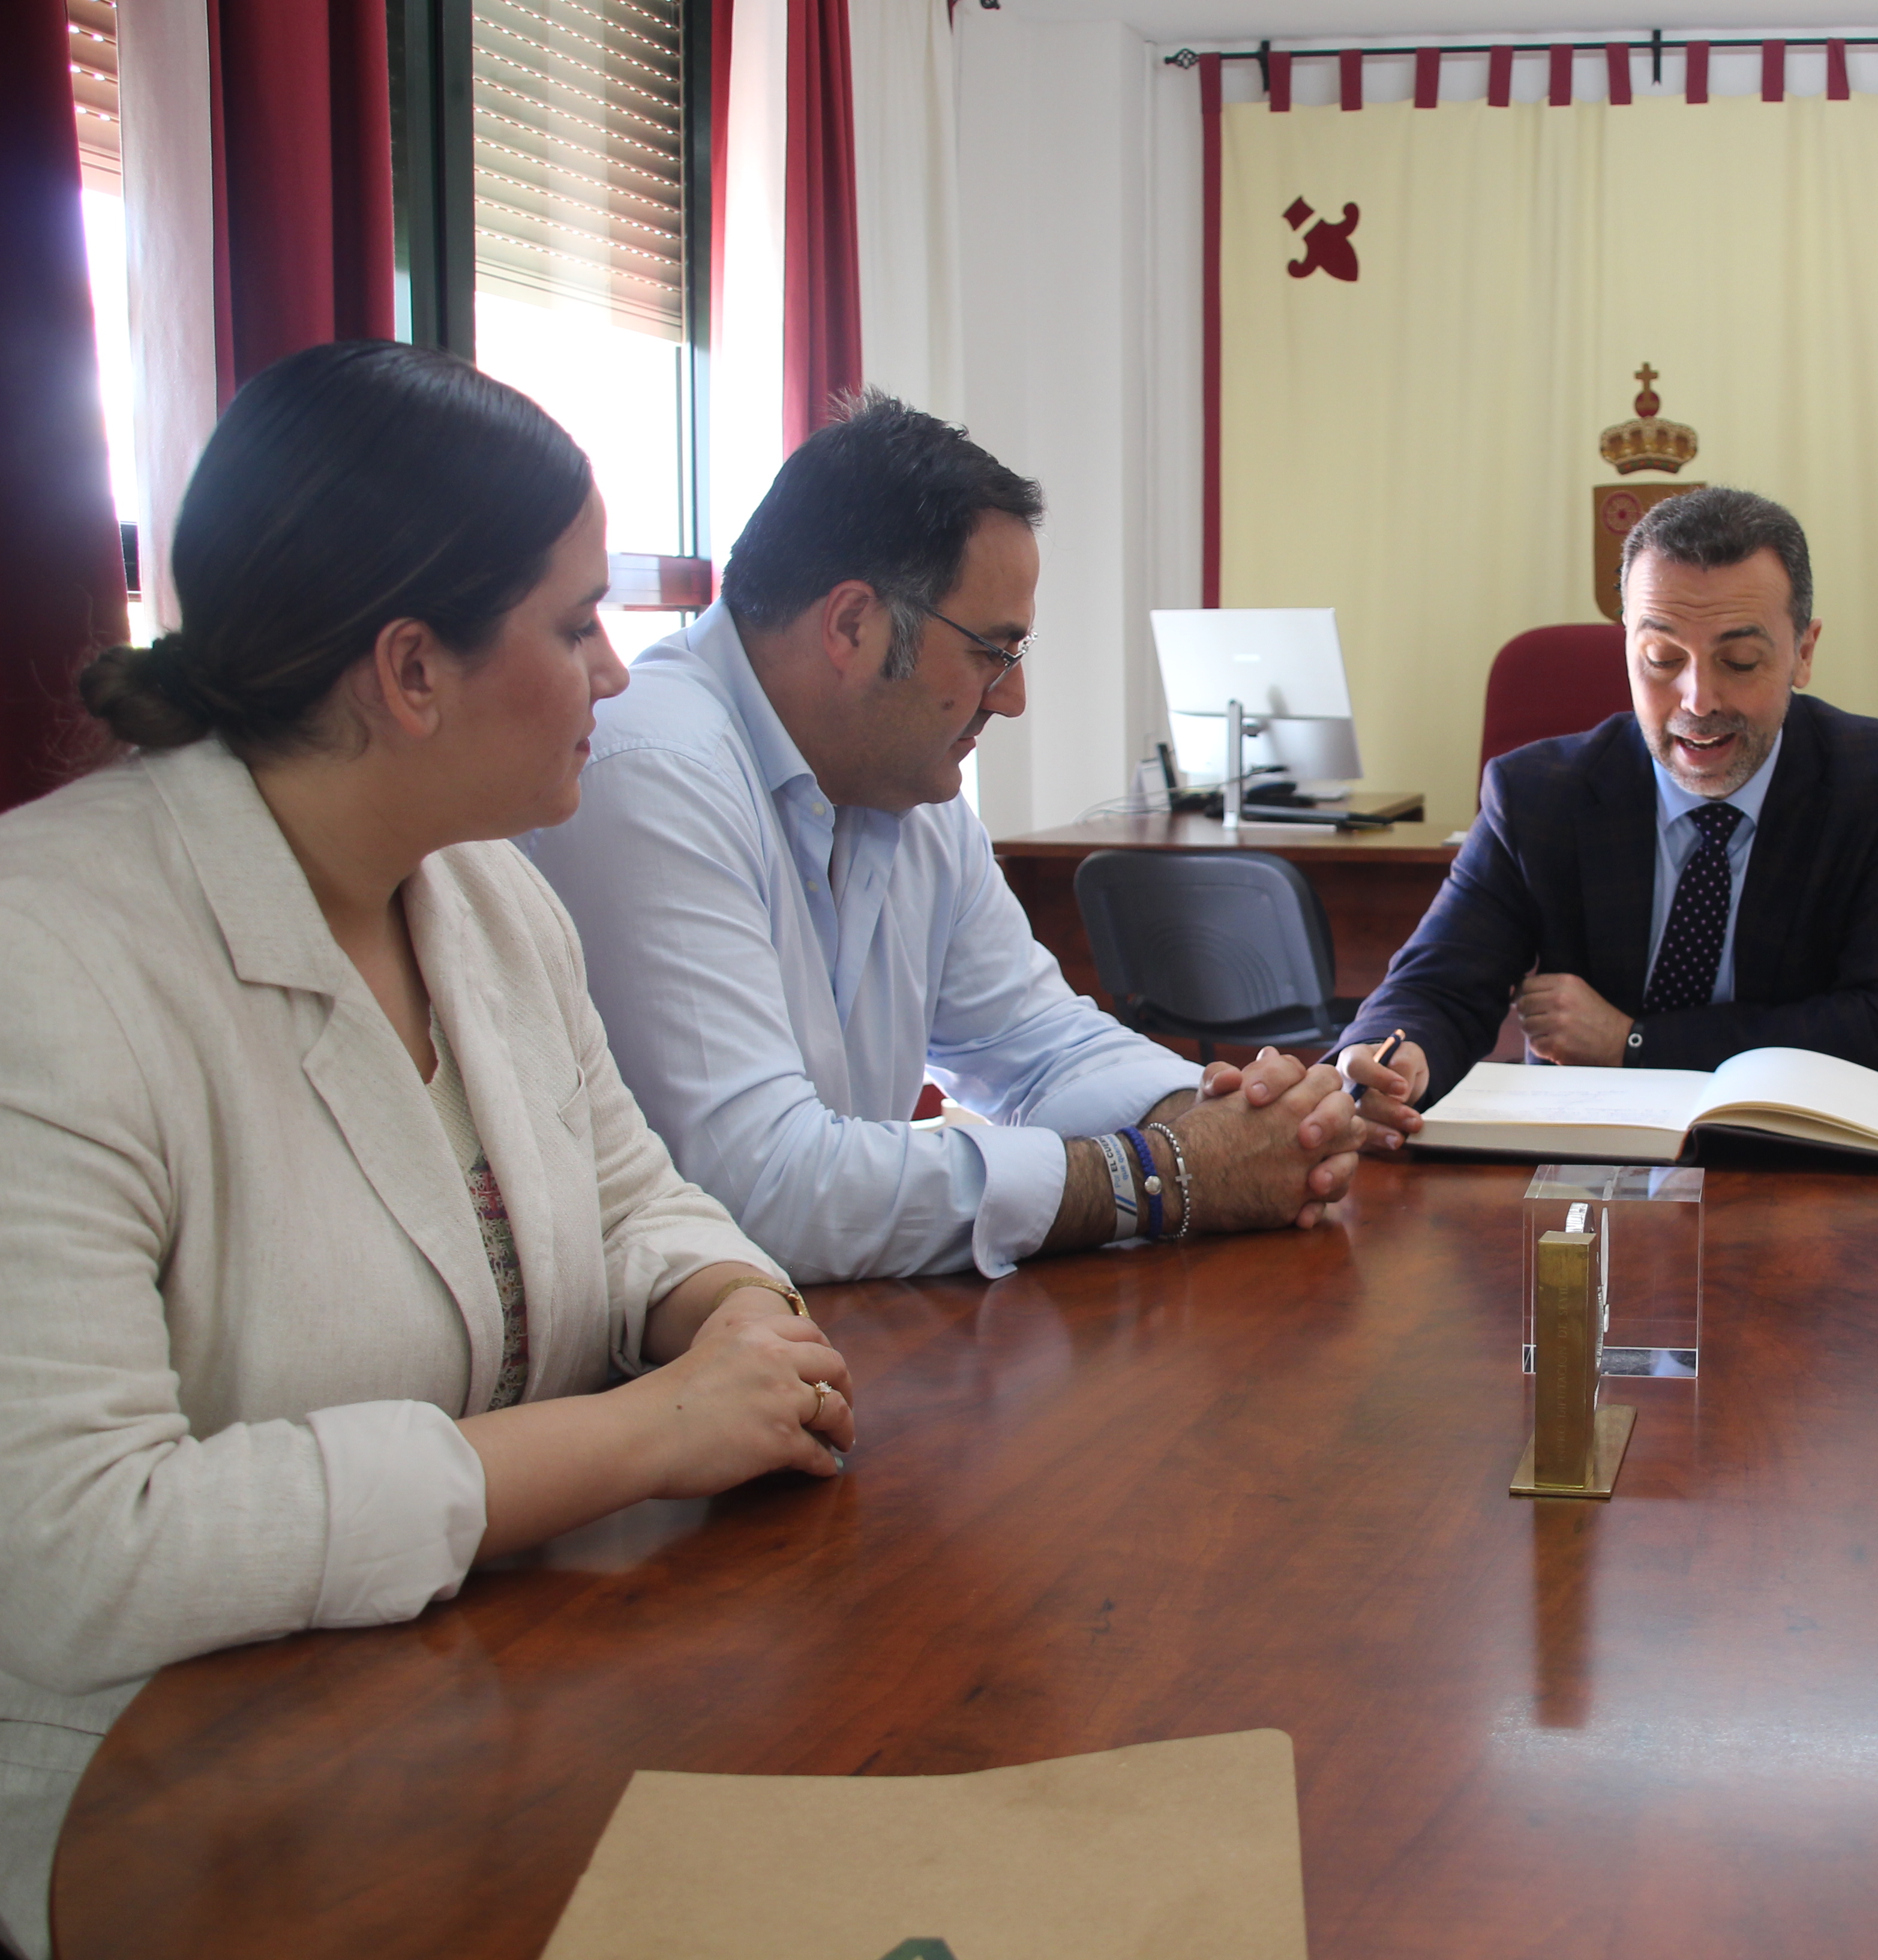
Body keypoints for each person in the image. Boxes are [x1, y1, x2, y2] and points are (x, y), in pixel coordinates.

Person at [0, 343, 857, 1960]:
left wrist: (728, 1308)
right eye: (574, 621)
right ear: (409, 673)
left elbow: (630, 1193)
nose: (617, 672)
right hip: (158, 1831)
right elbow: (79, 1551)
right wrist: (646, 1438)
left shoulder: (483, 892)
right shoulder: (46, 957)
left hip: (470, 1716)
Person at [527, 395, 1366, 1282]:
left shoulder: (905, 794)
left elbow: (1042, 1048)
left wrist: (1240, 1120)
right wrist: (1162, 1176)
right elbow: (758, 1191)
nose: (1012, 699)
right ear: (852, 625)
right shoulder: (651, 764)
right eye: (990, 654)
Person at [1328, 487, 1878, 1127]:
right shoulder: (1537, 794)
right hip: (1585, 1154)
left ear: (1804, 652)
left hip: (1800, 1154)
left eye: (1739, 661)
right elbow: (1438, 983)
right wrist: (1385, 1057)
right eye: (1661, 660)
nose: (1699, 700)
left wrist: (1633, 1042)